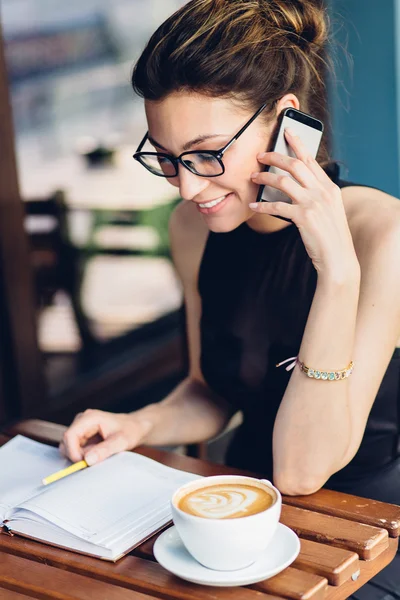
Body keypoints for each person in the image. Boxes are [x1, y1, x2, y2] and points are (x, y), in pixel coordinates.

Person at [61, 1, 400, 596]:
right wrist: (137, 423)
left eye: (207, 153)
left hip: (369, 534)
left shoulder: (382, 237)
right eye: (165, 158)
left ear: (285, 121)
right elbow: (207, 390)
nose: (188, 186)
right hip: (239, 514)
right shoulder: (192, 230)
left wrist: (337, 273)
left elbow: (301, 470)